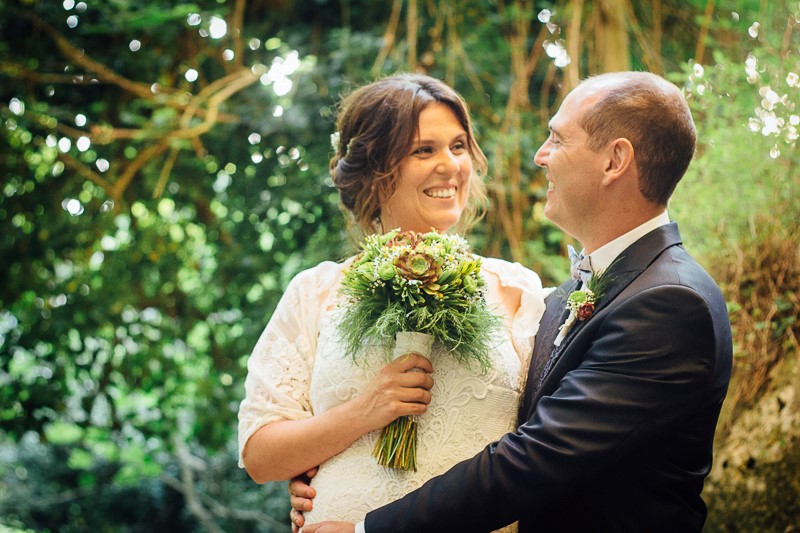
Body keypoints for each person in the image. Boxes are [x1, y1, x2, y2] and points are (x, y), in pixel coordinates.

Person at [295, 71, 733, 533]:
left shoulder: (669, 303)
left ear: (614, 161)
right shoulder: (573, 293)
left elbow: (534, 458)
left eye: (557, 140)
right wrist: (334, 473)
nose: (540, 156)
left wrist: (368, 529)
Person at [237, 73, 546, 531]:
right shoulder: (315, 292)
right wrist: (363, 413)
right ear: (374, 170)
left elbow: (545, 449)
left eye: (458, 147)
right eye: (425, 150)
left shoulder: (517, 290)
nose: (450, 166)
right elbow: (261, 456)